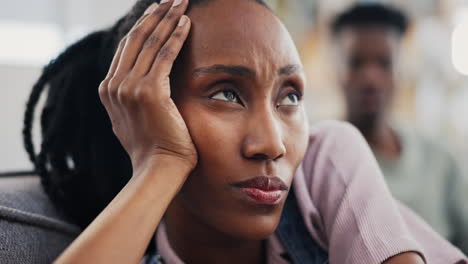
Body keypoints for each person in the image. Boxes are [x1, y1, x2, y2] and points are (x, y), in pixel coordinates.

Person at [20, 0, 467, 263]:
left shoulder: (325, 160)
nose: (272, 143)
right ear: (142, 110)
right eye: (226, 94)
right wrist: (161, 161)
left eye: (289, 96)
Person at [330, 3, 468, 254]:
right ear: (338, 70)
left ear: (399, 70)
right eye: (356, 62)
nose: (371, 78)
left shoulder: (441, 163)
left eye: (384, 63)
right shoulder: (321, 165)